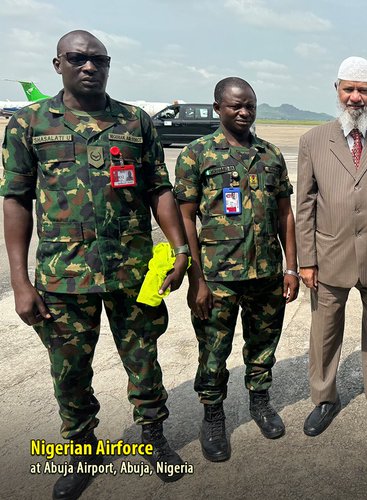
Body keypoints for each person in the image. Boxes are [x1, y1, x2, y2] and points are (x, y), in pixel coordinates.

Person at [0, 30, 189, 498]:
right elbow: (16, 201)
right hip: (65, 274)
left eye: (99, 60)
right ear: (57, 64)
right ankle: (82, 449)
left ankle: (153, 436)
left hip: (131, 270)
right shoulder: (30, 123)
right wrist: (20, 281)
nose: (90, 67)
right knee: (69, 369)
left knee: (144, 359)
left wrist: (181, 250)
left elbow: (159, 190)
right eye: (78, 58)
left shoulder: (135, 121)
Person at [174, 77, 298, 462]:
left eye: (250, 106)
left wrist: (290, 268)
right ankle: (213, 415)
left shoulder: (270, 154)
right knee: (213, 351)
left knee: (262, 347)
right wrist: (197, 280)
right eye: (234, 106)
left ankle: (260, 402)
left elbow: (284, 215)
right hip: (217, 276)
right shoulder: (197, 154)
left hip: (265, 274)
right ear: (218, 108)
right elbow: (185, 218)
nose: (243, 112)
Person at [296, 56, 367, 440]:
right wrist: (306, 261)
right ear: (337, 90)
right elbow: (306, 206)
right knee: (325, 331)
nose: (355, 97)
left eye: (363, 90)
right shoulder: (313, 140)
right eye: (349, 88)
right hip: (328, 257)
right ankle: (324, 399)